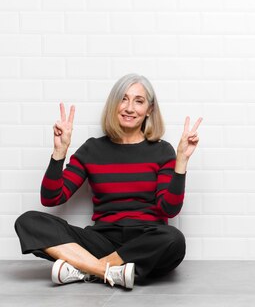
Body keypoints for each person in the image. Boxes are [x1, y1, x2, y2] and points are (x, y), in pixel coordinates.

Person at [14, 74, 202, 290]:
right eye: (123, 99)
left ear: (149, 110)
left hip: (146, 240)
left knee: (174, 240)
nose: (129, 108)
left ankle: (85, 269)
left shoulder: (162, 150)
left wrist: (181, 162)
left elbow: (169, 209)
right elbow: (51, 198)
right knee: (28, 221)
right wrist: (59, 152)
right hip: (101, 240)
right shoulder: (92, 149)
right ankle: (110, 271)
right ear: (114, 104)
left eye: (138, 101)